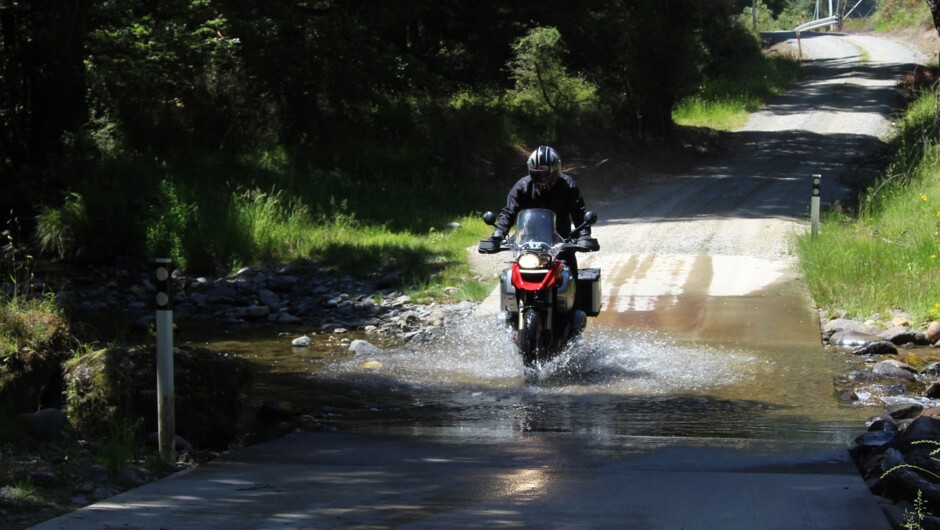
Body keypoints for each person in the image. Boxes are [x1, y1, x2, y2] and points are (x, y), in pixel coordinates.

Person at [485, 145, 598, 278]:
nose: (544, 178)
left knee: (571, 279)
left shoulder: (567, 185)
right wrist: (498, 234)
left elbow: (578, 213)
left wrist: (584, 235)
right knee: (511, 279)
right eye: (538, 175)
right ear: (531, 172)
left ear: (556, 170)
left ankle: (575, 298)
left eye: (547, 174)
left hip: (562, 244)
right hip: (528, 246)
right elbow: (509, 212)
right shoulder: (522, 187)